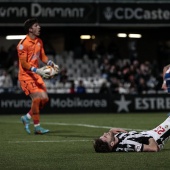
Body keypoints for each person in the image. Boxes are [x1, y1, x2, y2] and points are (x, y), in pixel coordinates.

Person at [17, 18, 59, 135]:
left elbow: (43, 57)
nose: (39, 27)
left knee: (45, 99)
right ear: (30, 29)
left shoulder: (39, 41)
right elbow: (24, 64)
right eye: (36, 26)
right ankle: (37, 127)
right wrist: (37, 70)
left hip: (36, 74)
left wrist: (51, 64)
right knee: (36, 98)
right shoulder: (22, 44)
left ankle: (27, 117)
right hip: (26, 76)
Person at [93, 116, 170, 152]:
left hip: (150, 133)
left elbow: (111, 137)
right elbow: (153, 148)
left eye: (103, 135)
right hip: (156, 137)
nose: (104, 133)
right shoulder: (128, 145)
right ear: (112, 143)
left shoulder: (114, 138)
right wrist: (149, 138)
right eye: (105, 137)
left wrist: (111, 131)